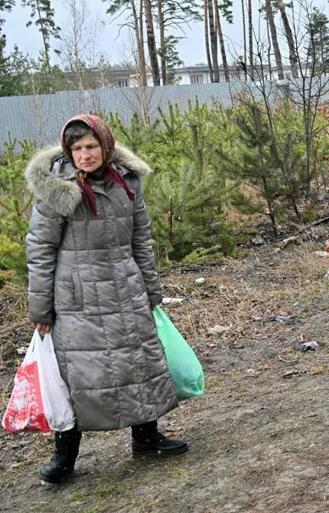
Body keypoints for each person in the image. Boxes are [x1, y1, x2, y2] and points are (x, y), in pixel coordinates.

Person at [25, 114, 188, 484]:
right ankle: (64, 457)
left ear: (105, 145)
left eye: (91, 146)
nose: (85, 155)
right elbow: (40, 248)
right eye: (77, 148)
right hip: (77, 298)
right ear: (69, 152)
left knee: (139, 361)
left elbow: (141, 240)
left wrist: (151, 289)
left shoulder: (126, 182)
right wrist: (41, 308)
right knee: (77, 374)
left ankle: (146, 438)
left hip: (127, 288)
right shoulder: (59, 188)